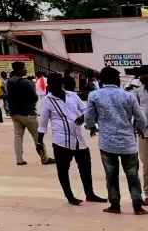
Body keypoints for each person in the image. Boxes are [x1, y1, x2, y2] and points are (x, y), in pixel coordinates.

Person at [86, 66, 148, 215]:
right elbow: (141, 118)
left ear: (102, 80)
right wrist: (140, 128)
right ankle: (137, 206)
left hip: (107, 142)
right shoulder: (128, 96)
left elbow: (89, 117)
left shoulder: (94, 95)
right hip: (128, 142)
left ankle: (115, 205)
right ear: (117, 80)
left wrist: (92, 128)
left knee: (111, 175)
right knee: (132, 175)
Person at [38, 72, 105, 206]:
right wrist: (39, 141)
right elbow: (43, 123)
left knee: (85, 168)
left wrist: (83, 117)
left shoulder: (72, 96)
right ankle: (70, 196)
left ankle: (90, 194)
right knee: (63, 170)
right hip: (61, 141)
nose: (51, 89)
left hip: (79, 140)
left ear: (60, 85)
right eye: (49, 86)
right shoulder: (46, 101)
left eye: (54, 86)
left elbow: (87, 110)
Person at [8, 61, 54, 166]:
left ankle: (19, 159)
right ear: (19, 70)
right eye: (24, 68)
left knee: (18, 136)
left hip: (14, 113)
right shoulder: (26, 82)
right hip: (27, 113)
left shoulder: (9, 82)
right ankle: (44, 158)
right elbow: (34, 97)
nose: (25, 69)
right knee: (37, 137)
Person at [134, 68, 148, 203]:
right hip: (144, 134)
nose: (144, 77)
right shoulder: (138, 92)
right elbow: (136, 112)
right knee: (146, 165)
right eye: (142, 74)